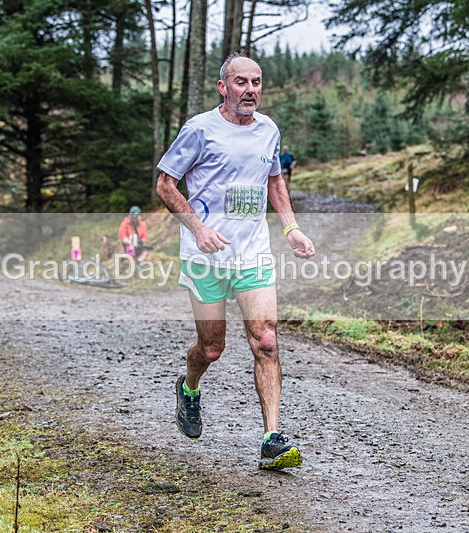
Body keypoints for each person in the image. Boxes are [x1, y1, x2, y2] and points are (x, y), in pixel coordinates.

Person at [156, 53, 315, 470]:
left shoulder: (268, 131)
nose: (250, 90)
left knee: (266, 340)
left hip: (252, 254)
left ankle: (272, 439)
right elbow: (165, 184)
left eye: (257, 82)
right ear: (223, 87)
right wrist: (198, 229)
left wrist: (291, 227)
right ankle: (189, 389)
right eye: (241, 82)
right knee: (212, 349)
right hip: (205, 255)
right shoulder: (199, 130)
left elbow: (274, 179)